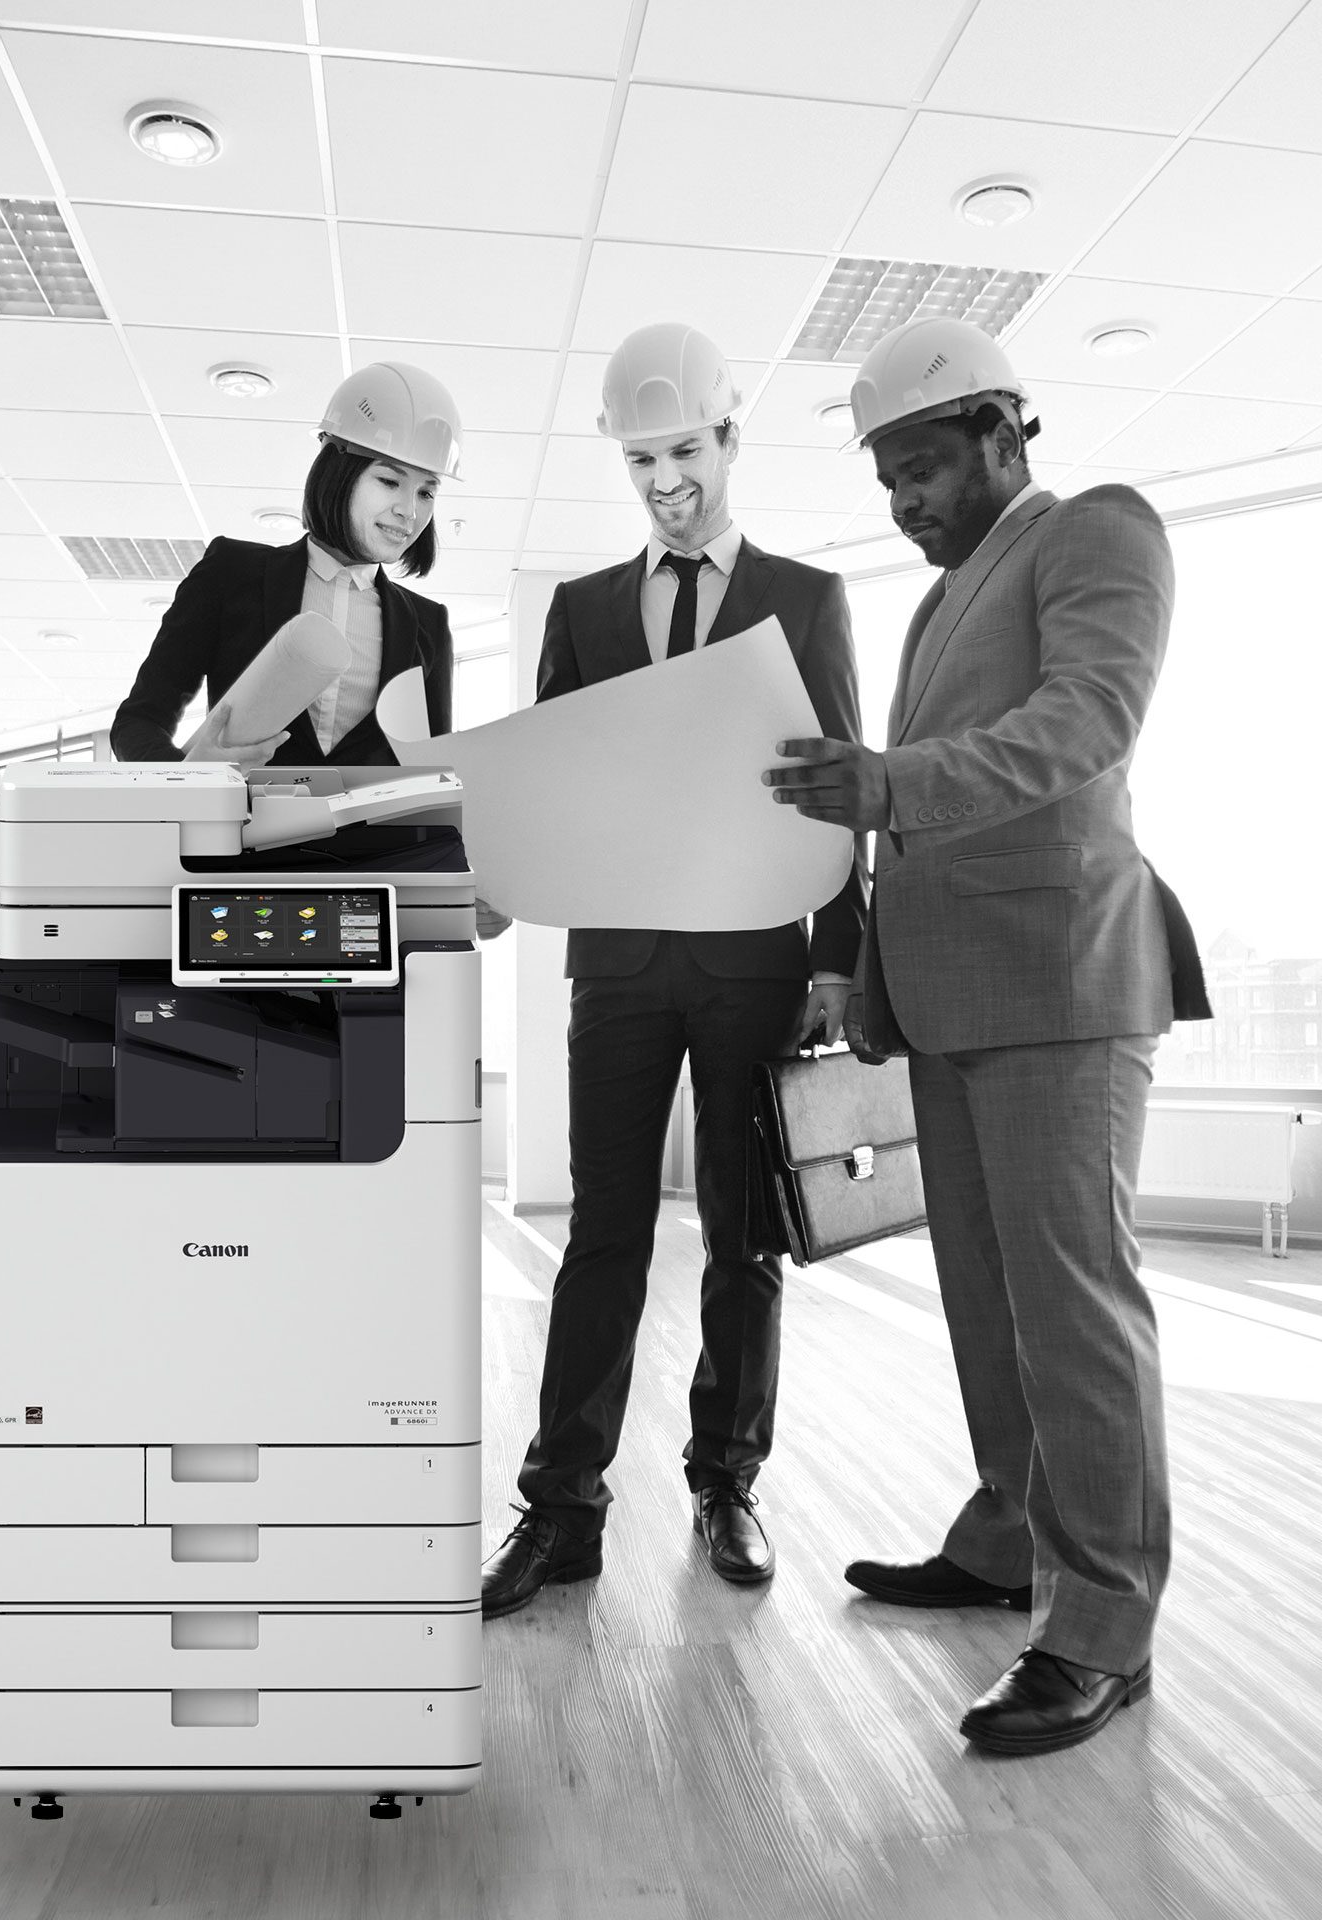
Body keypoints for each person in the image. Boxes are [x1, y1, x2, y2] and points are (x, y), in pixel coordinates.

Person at [765, 316, 1209, 1757]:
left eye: (924, 466)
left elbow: (1086, 721)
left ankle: (1103, 1623)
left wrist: (884, 784)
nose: (905, 501)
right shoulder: (936, 603)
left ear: (1006, 433)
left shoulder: (1094, 530)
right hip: (949, 996)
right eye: (887, 478)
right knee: (985, 1301)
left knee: (1074, 1309)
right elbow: (911, 805)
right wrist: (857, 969)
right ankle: (1014, 1534)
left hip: (1063, 987)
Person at [481, 322, 868, 1620]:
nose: (666, 480)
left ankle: (726, 1484)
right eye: (643, 458)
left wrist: (838, 968)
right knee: (604, 1235)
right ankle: (562, 1510)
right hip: (625, 972)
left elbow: (838, 797)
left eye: (686, 451)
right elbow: (551, 782)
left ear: (729, 439)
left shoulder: (807, 599)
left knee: (743, 1239)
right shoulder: (583, 610)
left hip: (760, 967)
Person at [109, 363, 458, 766]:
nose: (409, 511)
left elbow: (434, 777)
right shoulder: (232, 572)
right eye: (389, 482)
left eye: (427, 492)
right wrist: (187, 778)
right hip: (242, 823)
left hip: (372, 830)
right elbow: (137, 722)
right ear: (338, 472)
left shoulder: (427, 625)